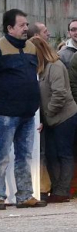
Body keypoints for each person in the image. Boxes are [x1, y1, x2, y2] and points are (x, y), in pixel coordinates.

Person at [0, 9, 46, 210]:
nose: (27, 28)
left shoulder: (32, 47)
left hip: (27, 113)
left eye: (26, 24)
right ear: (10, 28)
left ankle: (25, 195)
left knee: (25, 155)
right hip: (5, 113)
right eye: (22, 25)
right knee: (1, 155)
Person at [31, 36, 77, 203]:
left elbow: (60, 94)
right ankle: (56, 187)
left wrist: (48, 113)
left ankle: (63, 190)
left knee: (64, 154)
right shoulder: (39, 68)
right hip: (50, 119)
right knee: (51, 154)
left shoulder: (55, 66)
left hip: (64, 116)